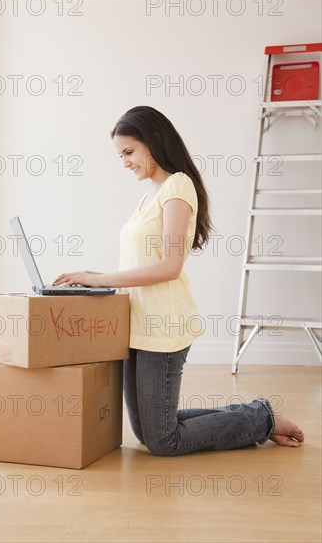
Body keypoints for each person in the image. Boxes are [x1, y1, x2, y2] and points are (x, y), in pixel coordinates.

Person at [53, 106, 304, 455]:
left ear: (153, 141)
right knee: (148, 431)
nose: (124, 162)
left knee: (163, 442)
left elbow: (170, 266)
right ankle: (255, 414)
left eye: (129, 152)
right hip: (136, 325)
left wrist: (100, 281)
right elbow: (140, 263)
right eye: (120, 155)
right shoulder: (148, 196)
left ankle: (261, 419)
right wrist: (92, 276)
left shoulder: (177, 187)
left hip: (164, 326)